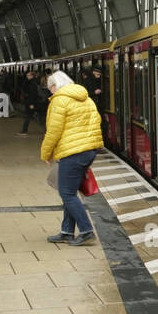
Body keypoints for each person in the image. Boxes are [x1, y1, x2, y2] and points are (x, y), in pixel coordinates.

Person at [40, 70, 103, 245]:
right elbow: (96, 120)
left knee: (66, 193)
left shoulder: (59, 101)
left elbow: (53, 131)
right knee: (70, 191)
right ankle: (66, 231)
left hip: (72, 152)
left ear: (55, 86)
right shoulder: (86, 98)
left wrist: (46, 153)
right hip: (88, 150)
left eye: (50, 87)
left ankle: (86, 230)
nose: (49, 91)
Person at [16, 71, 41, 137]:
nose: (27, 77)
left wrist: (31, 103)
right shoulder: (33, 82)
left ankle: (24, 131)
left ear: (32, 76)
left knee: (28, 116)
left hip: (31, 102)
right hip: (32, 101)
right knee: (30, 115)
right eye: (27, 75)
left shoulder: (31, 83)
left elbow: (32, 94)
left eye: (28, 75)